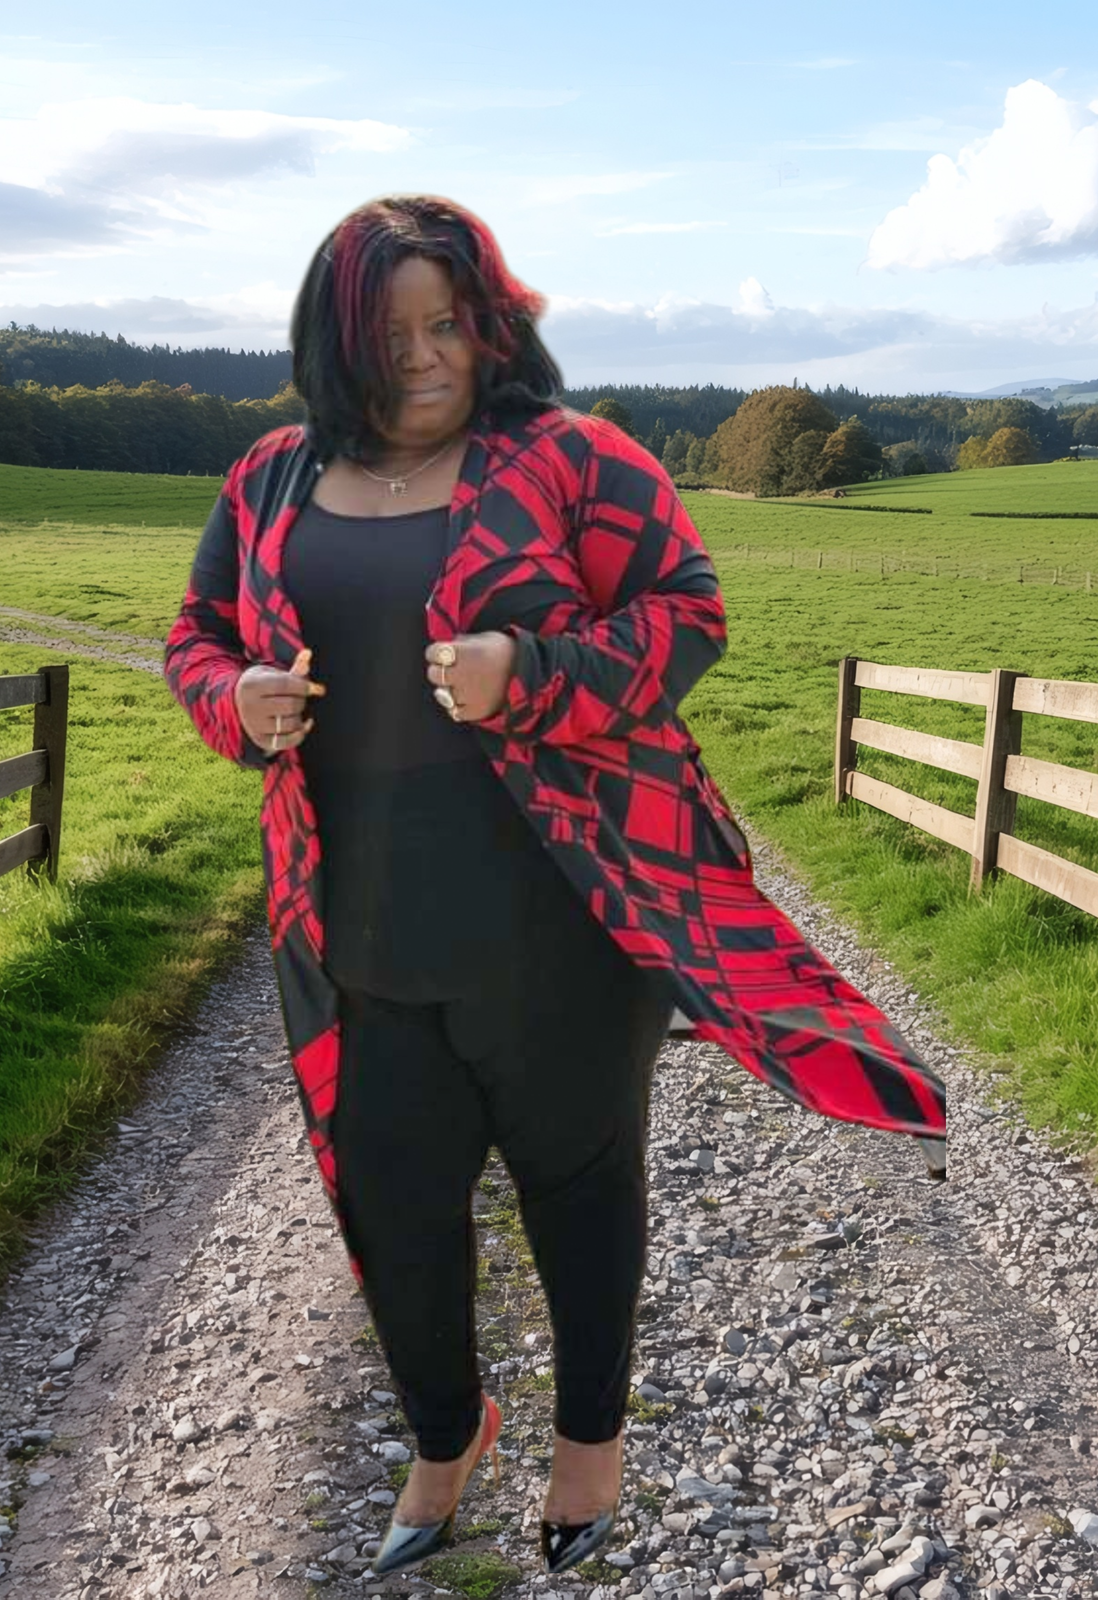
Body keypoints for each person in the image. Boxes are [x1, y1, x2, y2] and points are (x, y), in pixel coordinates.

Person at [164, 194, 947, 1578]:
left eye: (448, 324)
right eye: (389, 332)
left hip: (571, 923)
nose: (424, 356)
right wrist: (237, 698)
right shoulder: (269, 478)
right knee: (392, 1211)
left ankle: (590, 1441)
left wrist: (531, 674)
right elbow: (196, 636)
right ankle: (446, 1433)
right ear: (335, 340)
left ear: (491, 324)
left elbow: (688, 613)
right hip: (349, 929)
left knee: (577, 1192)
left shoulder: (576, 459)